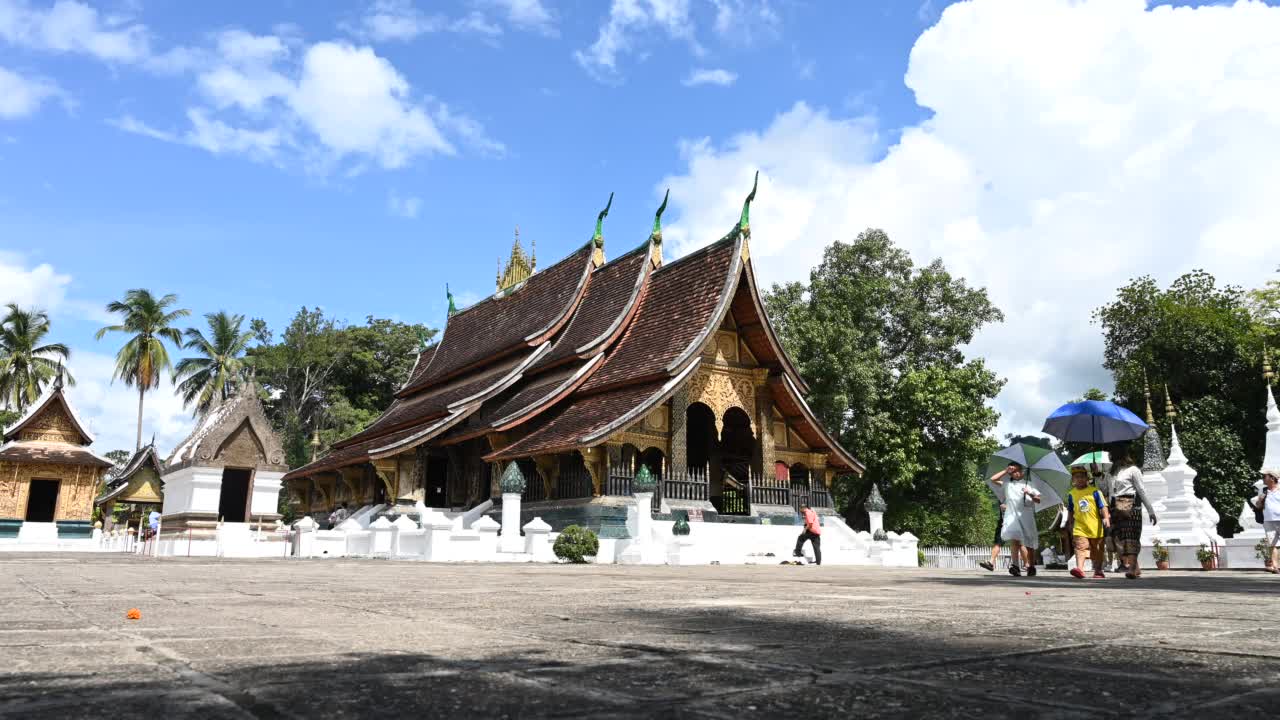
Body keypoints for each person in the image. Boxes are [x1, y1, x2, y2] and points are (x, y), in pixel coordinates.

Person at [1102, 446, 1157, 579]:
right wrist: (1098, 475)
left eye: (1112, 455)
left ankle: (1132, 568)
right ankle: (1135, 567)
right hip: (1115, 507)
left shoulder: (1133, 470)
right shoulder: (1111, 472)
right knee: (1118, 538)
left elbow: (1141, 490)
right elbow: (1104, 490)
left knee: (1130, 538)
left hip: (1130, 507)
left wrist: (1151, 511)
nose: (1110, 457)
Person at [991, 461, 1041, 576]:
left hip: (1026, 515)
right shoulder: (1007, 484)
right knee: (1014, 540)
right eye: (1014, 471)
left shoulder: (1029, 484)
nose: (1016, 473)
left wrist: (1030, 494)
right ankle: (1015, 566)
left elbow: (1038, 500)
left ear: (1023, 472)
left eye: (1019, 470)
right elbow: (993, 479)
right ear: (1011, 473)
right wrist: (1005, 470)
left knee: (1029, 543)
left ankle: (1031, 566)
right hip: (1012, 515)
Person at [1066, 465, 1110, 579]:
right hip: (1080, 526)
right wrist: (1070, 523)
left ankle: (1098, 570)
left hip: (1095, 526)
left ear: (1087, 478)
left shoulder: (1095, 491)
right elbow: (1070, 510)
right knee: (1080, 547)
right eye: (1076, 477)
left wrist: (1106, 518)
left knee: (1097, 551)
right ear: (1073, 480)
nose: (1079, 479)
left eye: (1082, 477)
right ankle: (1079, 569)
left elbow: (1103, 506)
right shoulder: (1071, 494)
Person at [1250, 471, 1280, 574]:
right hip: (1268, 520)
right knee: (1272, 544)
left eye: (1265, 477)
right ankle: (1276, 567)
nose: (1263, 479)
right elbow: (1258, 506)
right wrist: (1260, 500)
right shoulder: (1264, 491)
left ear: (1272, 478)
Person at [979, 488, 1005, 572]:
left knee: (1020, 544)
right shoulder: (1002, 496)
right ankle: (991, 562)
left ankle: (1028, 565)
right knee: (998, 542)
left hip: (1016, 522)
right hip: (1003, 522)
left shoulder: (1019, 495)